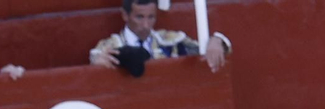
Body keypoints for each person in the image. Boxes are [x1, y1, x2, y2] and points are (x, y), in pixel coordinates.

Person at [90, 0, 232, 73]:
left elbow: (206, 50)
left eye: (151, 17)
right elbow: (95, 59)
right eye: (139, 17)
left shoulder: (170, 40)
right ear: (125, 15)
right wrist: (98, 64)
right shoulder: (110, 46)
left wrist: (216, 40)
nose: (146, 25)